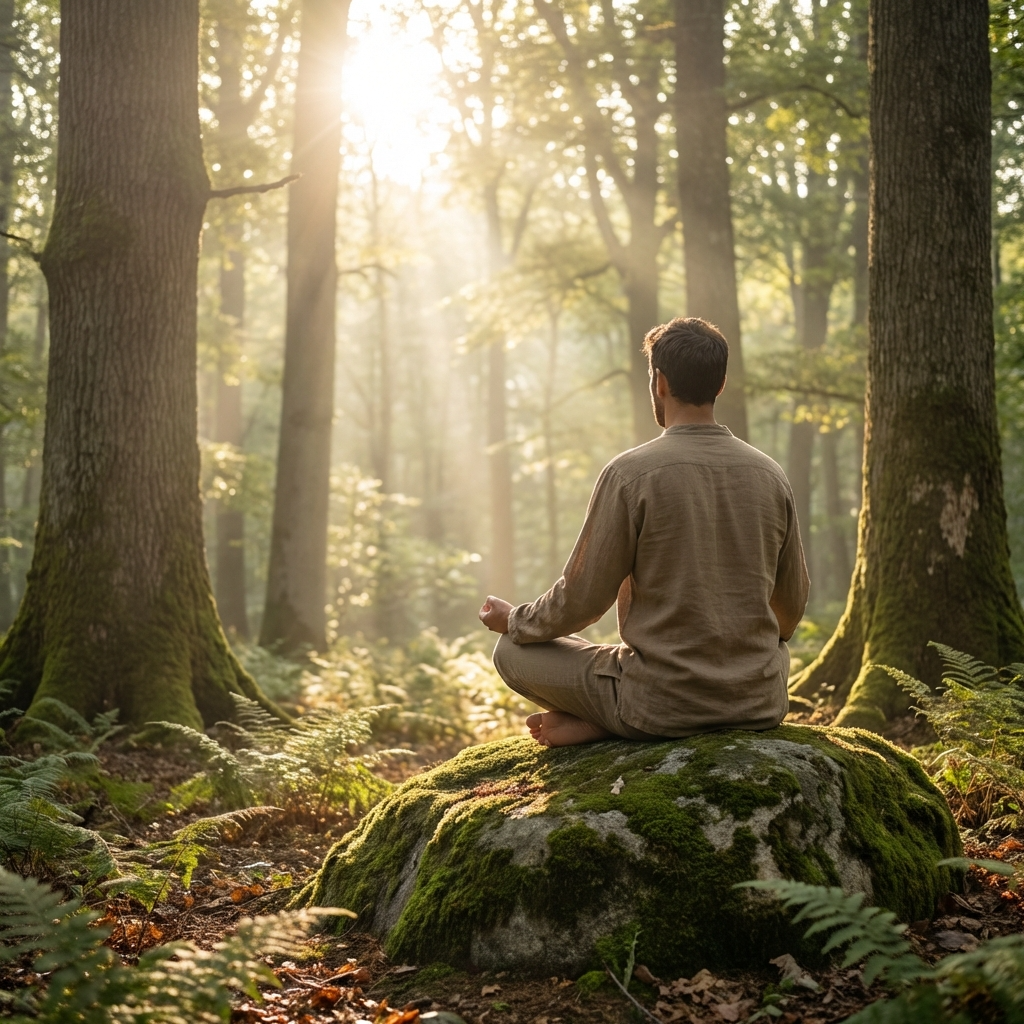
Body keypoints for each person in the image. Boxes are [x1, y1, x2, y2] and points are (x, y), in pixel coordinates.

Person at [478, 316, 809, 748]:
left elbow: (582, 599)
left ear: (660, 383)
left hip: (660, 704)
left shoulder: (630, 474)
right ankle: (608, 717)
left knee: (511, 651)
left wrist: (516, 620)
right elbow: (790, 605)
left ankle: (612, 720)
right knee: (763, 653)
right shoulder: (770, 474)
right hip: (757, 702)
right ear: (721, 384)